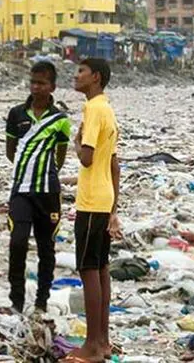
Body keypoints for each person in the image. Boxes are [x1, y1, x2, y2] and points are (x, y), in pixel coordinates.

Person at [64, 59, 122, 363]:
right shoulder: (108, 109)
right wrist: (114, 208)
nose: (76, 76)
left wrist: (76, 143)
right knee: (100, 270)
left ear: (95, 77)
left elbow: (87, 158)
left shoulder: (93, 109)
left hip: (90, 201)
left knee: (88, 270)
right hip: (103, 198)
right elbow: (114, 164)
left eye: (81, 72)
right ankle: (104, 341)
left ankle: (91, 345)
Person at [5, 61, 71, 314]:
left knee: (47, 247)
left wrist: (44, 171)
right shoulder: (16, 114)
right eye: (33, 82)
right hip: (21, 190)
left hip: (49, 193)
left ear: (52, 86)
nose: (36, 87)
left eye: (41, 83)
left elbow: (61, 157)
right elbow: (12, 152)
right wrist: (28, 169)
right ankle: (16, 301)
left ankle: (42, 301)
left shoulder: (60, 120)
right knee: (18, 241)